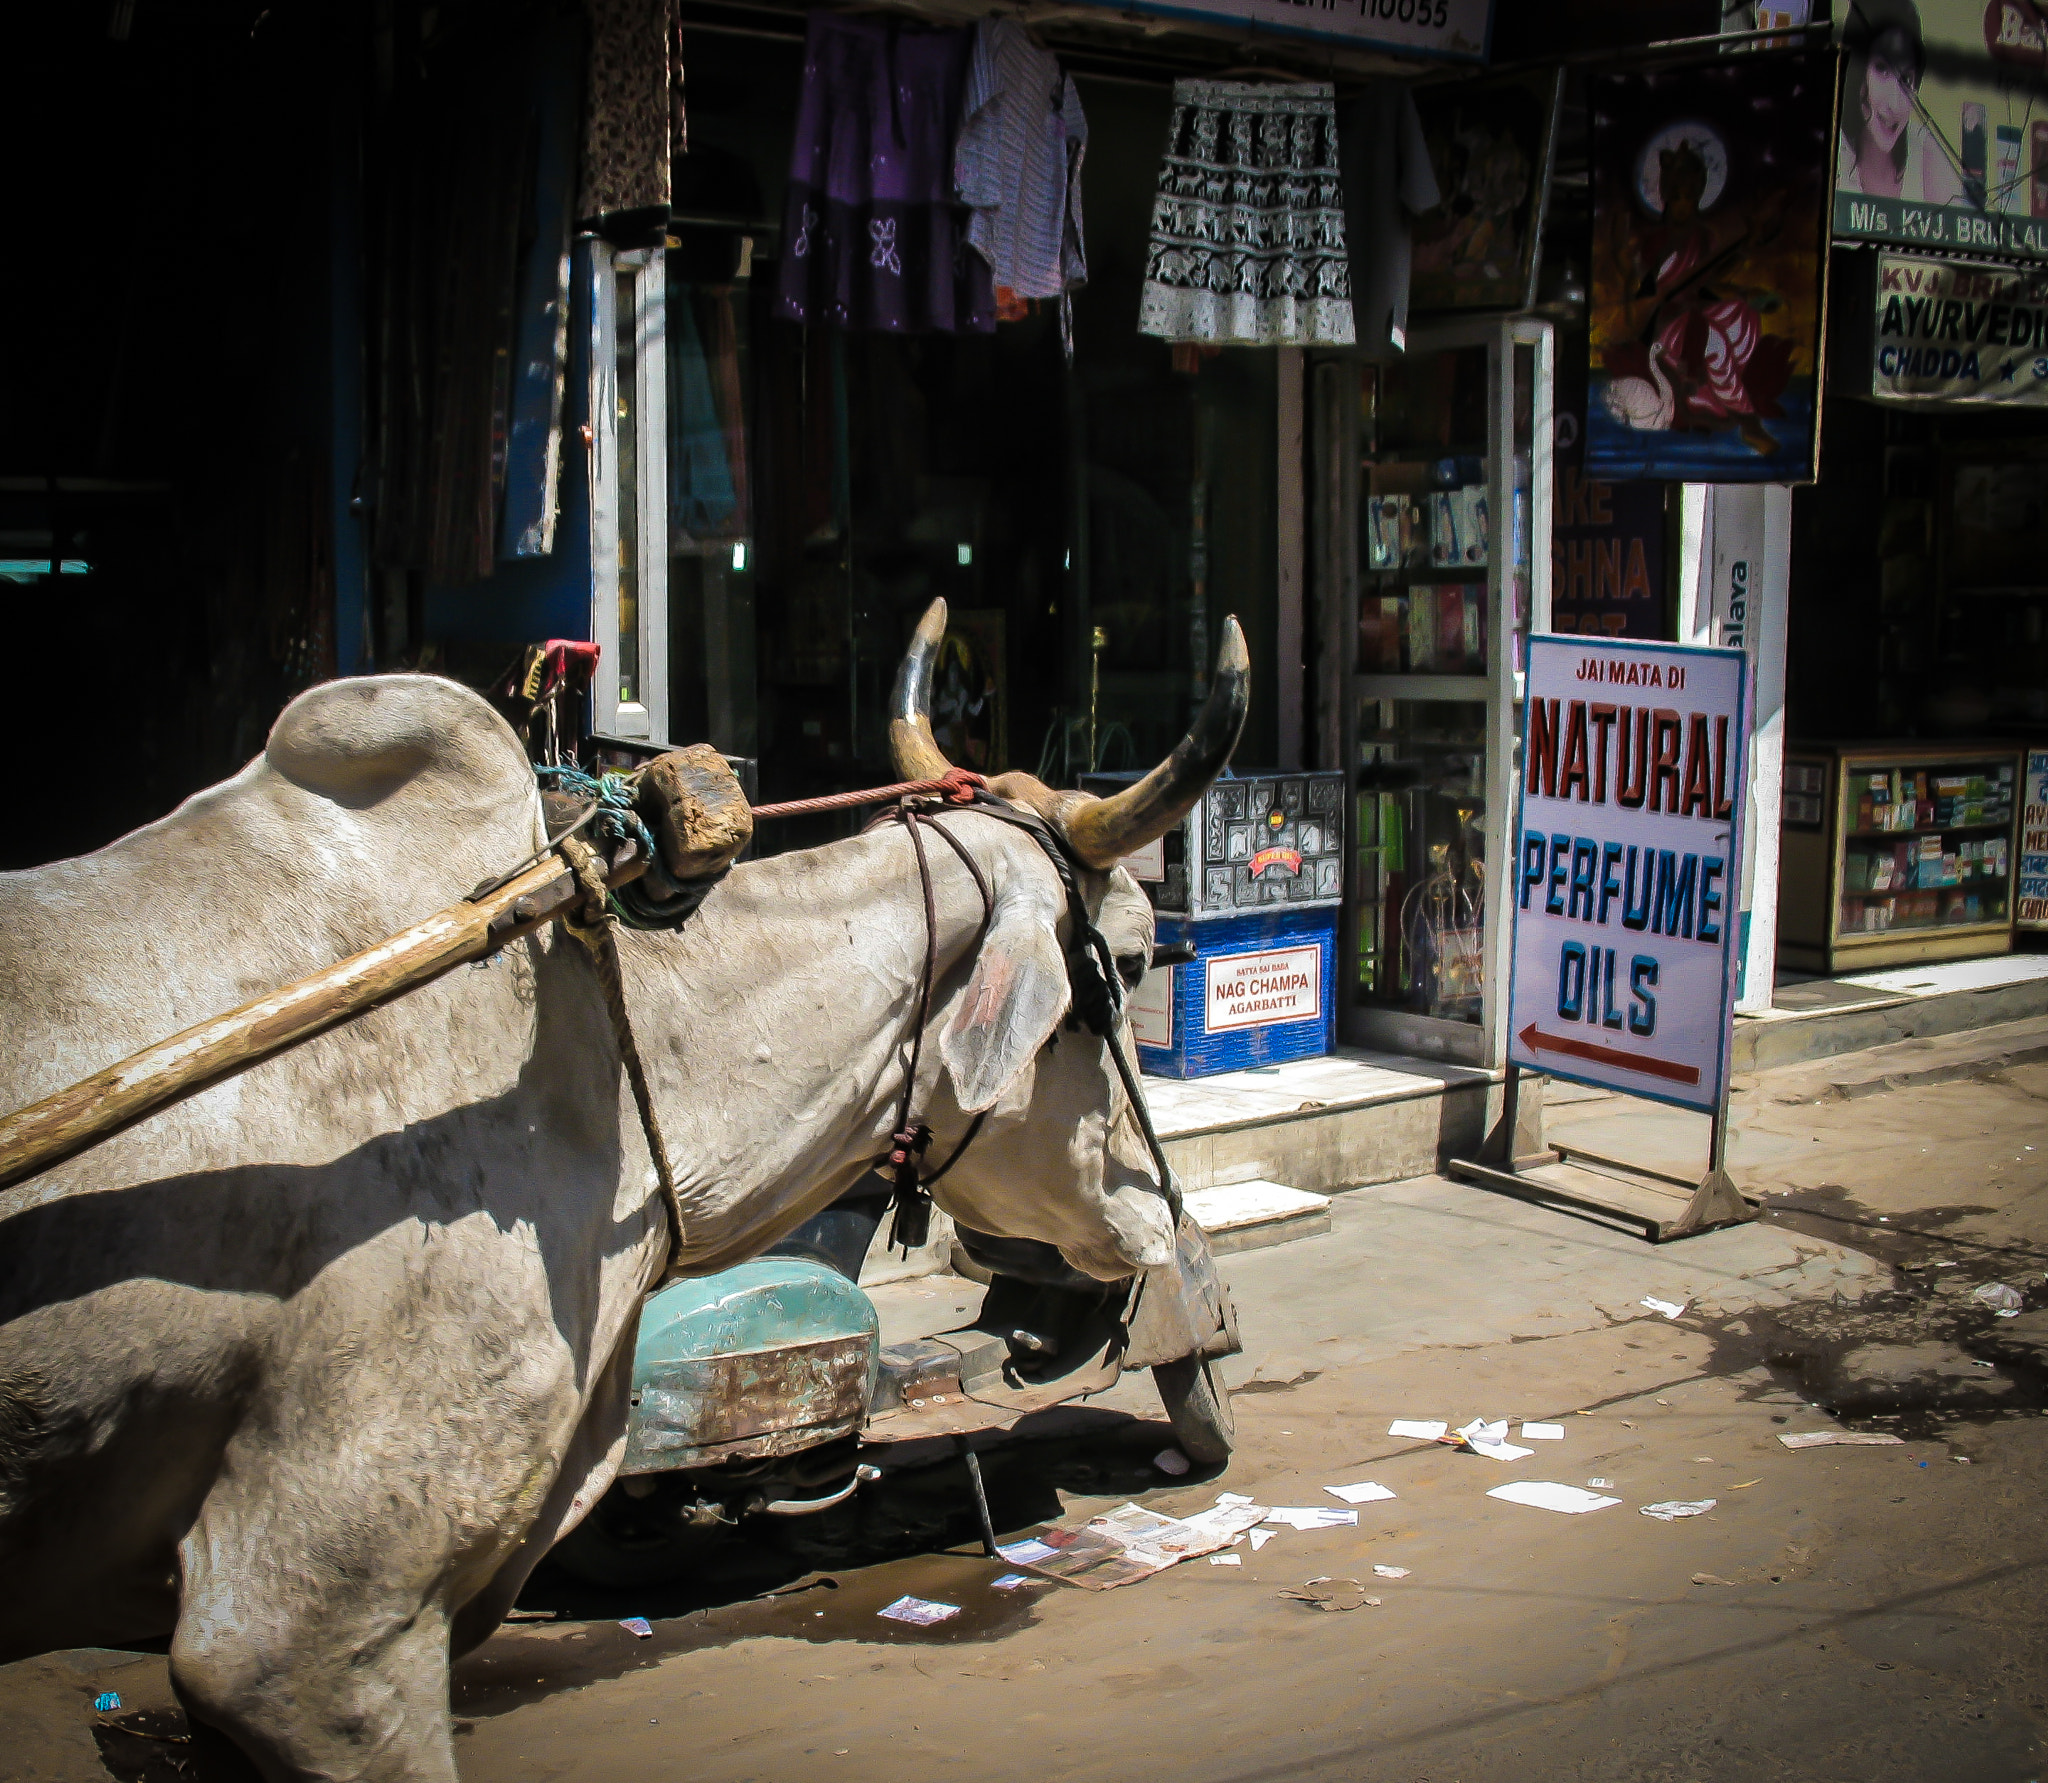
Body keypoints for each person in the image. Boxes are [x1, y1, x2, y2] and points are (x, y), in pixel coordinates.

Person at [1836, 0, 1965, 204]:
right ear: (1857, 74)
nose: (1895, 104)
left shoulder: (1927, 157)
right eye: (1882, 70)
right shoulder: (1831, 154)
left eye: (1906, 79)